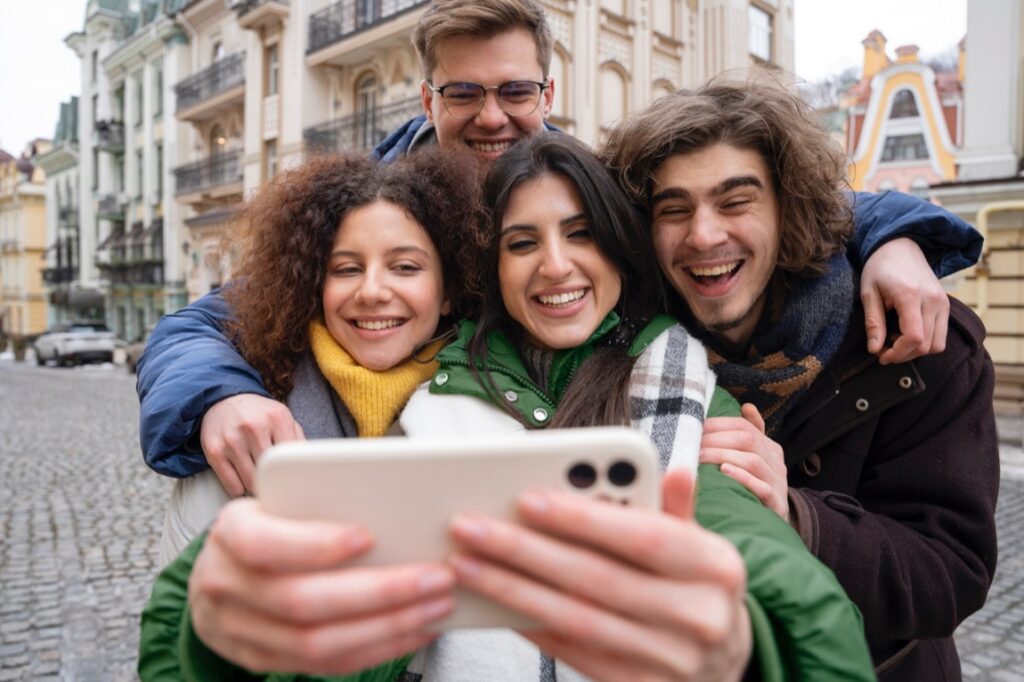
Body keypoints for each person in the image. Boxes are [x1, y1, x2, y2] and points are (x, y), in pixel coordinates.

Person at [137, 0, 983, 500]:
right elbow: (196, 329)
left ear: (550, 90)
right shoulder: (367, 207)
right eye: (463, 92)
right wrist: (216, 401)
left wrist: (893, 236)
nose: (491, 115)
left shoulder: (589, 185)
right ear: (428, 95)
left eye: (514, 90)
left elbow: (756, 202)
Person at [149, 133, 875, 681]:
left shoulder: (683, 383)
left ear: (622, 248)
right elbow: (217, 605)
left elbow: (779, 584)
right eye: (522, 242)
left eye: (581, 233)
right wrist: (217, 627)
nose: (555, 265)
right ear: (489, 267)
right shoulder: (426, 391)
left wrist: (750, 640)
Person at [601, 75, 1000, 681]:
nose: (704, 234)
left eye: (736, 202)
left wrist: (795, 516)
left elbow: (949, 575)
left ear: (789, 209)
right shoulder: (625, 341)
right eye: (674, 209)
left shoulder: (922, 343)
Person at [139, 147, 484, 677]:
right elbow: (172, 653)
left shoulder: (490, 420)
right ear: (314, 287)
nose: (373, 291)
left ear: (447, 291)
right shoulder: (242, 437)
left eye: (406, 267)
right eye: (345, 269)